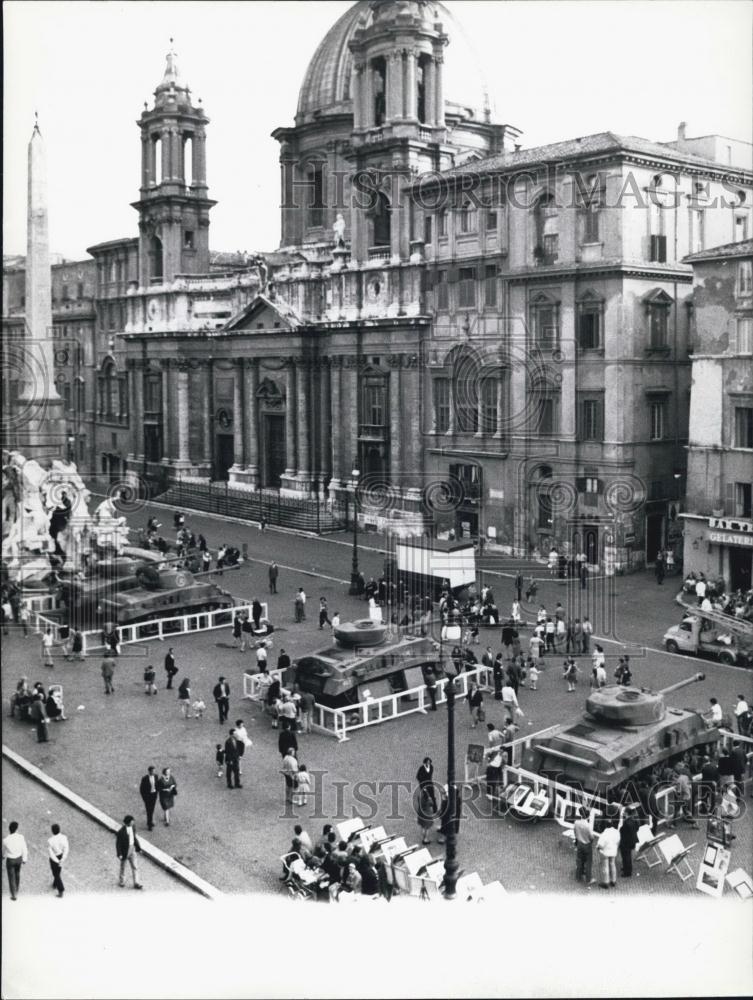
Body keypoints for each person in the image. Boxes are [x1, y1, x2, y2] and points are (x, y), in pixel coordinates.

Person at [3, 821, 28, 901]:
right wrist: (24, 859)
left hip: (10, 860)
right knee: (17, 874)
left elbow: (5, 851)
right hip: (18, 858)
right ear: (16, 829)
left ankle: (14, 894)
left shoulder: (6, 840)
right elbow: (24, 848)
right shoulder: (21, 837)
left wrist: (3, 856)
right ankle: (16, 889)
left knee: (11, 877)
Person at [116, 816, 143, 889]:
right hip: (125, 851)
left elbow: (134, 838)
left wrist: (138, 848)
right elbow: (118, 844)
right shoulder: (121, 832)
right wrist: (119, 854)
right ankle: (122, 881)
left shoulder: (133, 827)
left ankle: (136, 883)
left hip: (132, 849)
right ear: (128, 822)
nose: (133, 822)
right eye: (132, 821)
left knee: (135, 866)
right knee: (123, 867)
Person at [596, 818, 620, 889]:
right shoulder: (616, 832)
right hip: (613, 851)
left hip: (605, 852)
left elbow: (600, 845)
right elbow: (618, 841)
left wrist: (598, 848)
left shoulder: (604, 834)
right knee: (612, 864)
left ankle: (606, 882)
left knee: (605, 867)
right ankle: (613, 880)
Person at [47, 823, 69, 898]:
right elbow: (66, 848)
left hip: (54, 858)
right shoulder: (64, 837)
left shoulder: (50, 841)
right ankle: (55, 883)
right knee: (58, 871)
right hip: (61, 855)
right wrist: (63, 858)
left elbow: (51, 853)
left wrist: (56, 861)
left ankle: (61, 889)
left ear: (52, 831)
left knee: (55, 873)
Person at [619, 805, 640, 877]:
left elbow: (622, 831)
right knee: (628, 855)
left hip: (626, 842)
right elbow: (637, 828)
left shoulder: (626, 823)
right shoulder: (633, 820)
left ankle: (627, 872)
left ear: (627, 813)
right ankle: (627, 868)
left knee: (626, 856)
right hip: (632, 840)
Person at [139, 765, 159, 830]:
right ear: (149, 771)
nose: (153, 772)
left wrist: (157, 792)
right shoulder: (145, 778)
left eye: (154, 771)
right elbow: (141, 789)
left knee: (152, 810)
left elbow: (157, 785)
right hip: (148, 797)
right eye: (152, 771)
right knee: (148, 810)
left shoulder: (156, 776)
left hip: (154, 795)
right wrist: (144, 798)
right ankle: (149, 825)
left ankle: (149, 821)